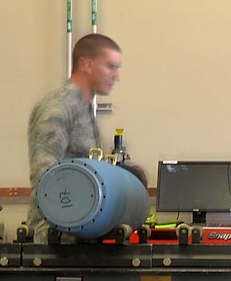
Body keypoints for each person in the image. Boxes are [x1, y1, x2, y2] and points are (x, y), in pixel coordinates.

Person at [25, 33, 145, 239]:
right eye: (111, 66)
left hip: (83, 236)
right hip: (58, 241)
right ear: (86, 65)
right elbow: (46, 178)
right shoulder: (58, 108)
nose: (117, 75)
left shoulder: (84, 109)